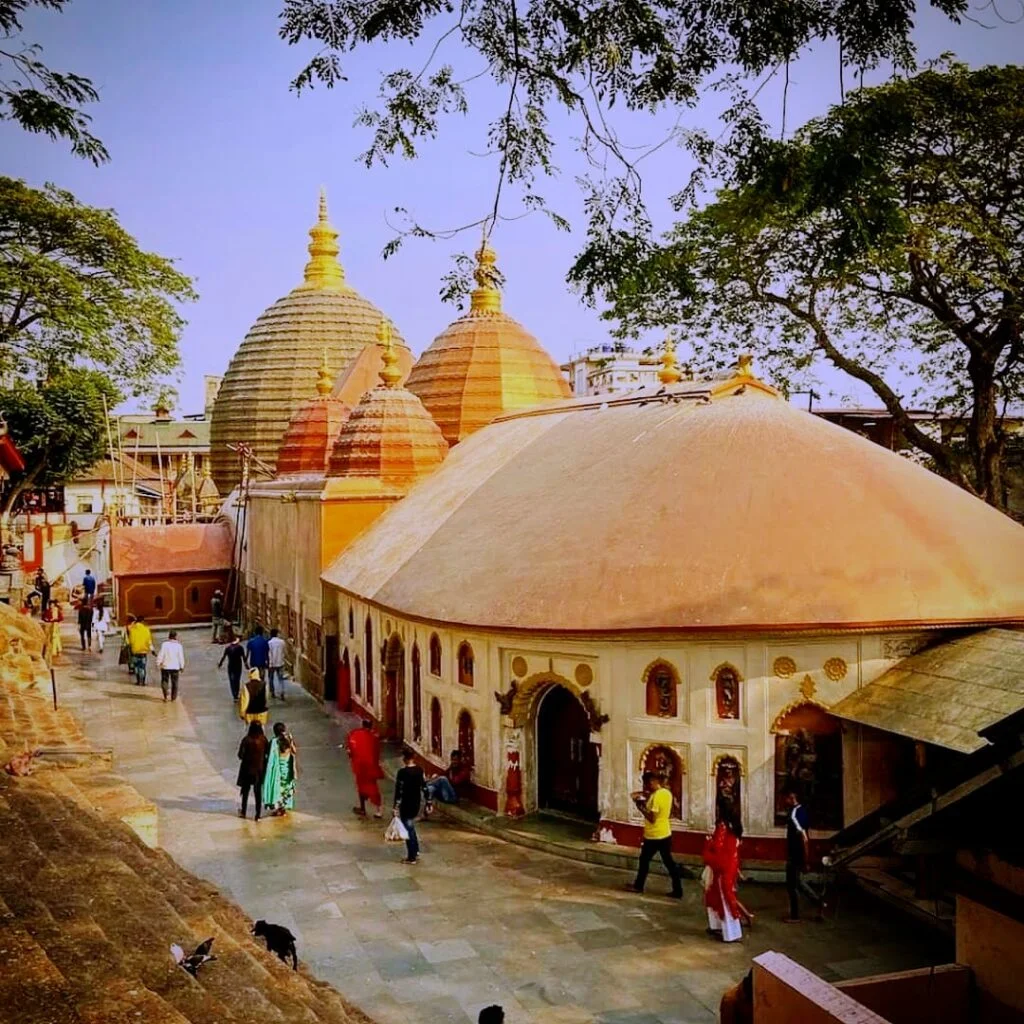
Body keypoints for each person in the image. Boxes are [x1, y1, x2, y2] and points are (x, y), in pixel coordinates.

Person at [625, 771, 683, 898]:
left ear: (653, 782)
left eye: (647, 783)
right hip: (665, 832)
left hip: (654, 835)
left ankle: (638, 885)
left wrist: (640, 807)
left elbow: (652, 817)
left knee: (645, 860)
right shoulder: (667, 793)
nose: (646, 786)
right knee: (668, 862)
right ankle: (678, 889)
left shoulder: (657, 796)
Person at [702, 815, 754, 942]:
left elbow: (718, 853)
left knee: (725, 900)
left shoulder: (725, 835)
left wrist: (709, 844)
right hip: (728, 868)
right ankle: (723, 928)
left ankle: (731, 933)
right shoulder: (733, 837)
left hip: (722, 869)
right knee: (724, 898)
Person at [783, 789, 814, 922]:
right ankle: (818, 902)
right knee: (798, 883)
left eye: (787, 798)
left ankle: (795, 916)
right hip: (797, 854)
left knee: (792, 885)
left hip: (795, 855)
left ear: (792, 798)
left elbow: (804, 838)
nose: (785, 801)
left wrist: (806, 859)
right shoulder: (802, 811)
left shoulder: (795, 814)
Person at [345, 719, 384, 818]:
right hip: (371, 766)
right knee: (373, 787)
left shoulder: (355, 735)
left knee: (361, 787)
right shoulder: (374, 737)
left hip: (360, 766)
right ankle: (378, 809)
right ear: (371, 726)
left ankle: (363, 808)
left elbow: (350, 751)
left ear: (363, 725)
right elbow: (377, 752)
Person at [393, 749, 425, 864]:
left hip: (406, 804)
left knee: (408, 829)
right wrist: (429, 802)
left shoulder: (402, 773)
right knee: (411, 827)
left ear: (405, 758)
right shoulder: (419, 770)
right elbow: (424, 786)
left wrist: (396, 806)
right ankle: (415, 851)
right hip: (415, 802)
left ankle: (411, 856)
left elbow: (399, 791)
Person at [263, 722, 298, 816]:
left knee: (279, 788)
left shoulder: (274, 742)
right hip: (287, 769)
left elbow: (268, 756)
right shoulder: (288, 740)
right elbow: (294, 751)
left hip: (278, 769)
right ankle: (284, 808)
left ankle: (280, 809)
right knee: (286, 787)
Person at [237, 721, 269, 821]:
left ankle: (243, 811)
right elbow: (267, 752)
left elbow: (240, 755)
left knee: (245, 791)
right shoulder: (263, 740)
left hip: (247, 769)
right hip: (259, 770)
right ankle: (258, 814)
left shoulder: (246, 740)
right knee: (257, 792)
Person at [423, 750, 471, 815]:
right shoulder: (452, 767)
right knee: (432, 788)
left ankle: (425, 785)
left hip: (453, 797)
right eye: (452, 760)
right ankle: (427, 809)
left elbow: (455, 781)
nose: (454, 762)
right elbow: (444, 773)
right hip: (445, 794)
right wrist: (436, 776)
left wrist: (443, 777)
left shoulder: (464, 770)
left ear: (460, 760)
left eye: (456, 760)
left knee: (443, 779)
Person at [157, 629, 186, 702]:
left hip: (165, 666)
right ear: (176, 636)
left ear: (169, 636)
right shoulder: (179, 646)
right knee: (175, 682)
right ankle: (173, 697)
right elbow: (181, 657)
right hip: (175, 667)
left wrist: (158, 663)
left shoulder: (164, 644)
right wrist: (182, 666)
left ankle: (165, 695)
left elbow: (161, 654)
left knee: (164, 680)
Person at [218, 631, 248, 700]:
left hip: (230, 665)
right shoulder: (240, 648)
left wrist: (220, 664)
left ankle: (234, 694)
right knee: (237, 679)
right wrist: (246, 665)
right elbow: (244, 657)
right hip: (238, 665)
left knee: (231, 680)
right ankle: (236, 693)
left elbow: (223, 657)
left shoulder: (228, 648)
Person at [127, 615, 154, 686]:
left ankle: (138, 681)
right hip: (143, 651)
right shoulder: (146, 629)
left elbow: (130, 641)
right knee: (142, 667)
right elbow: (149, 641)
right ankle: (143, 681)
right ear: (142, 621)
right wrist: (152, 650)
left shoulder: (132, 630)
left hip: (135, 651)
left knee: (136, 667)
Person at [267, 627, 286, 700]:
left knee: (271, 678)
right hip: (280, 662)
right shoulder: (282, 642)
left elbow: (269, 654)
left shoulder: (269, 643)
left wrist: (270, 663)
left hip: (272, 663)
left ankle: (272, 692)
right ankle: (282, 692)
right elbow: (284, 652)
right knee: (280, 678)